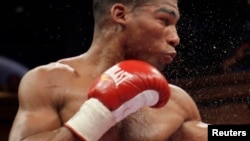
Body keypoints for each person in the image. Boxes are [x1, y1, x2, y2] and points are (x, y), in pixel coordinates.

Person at [9, 0, 208, 141]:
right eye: (164, 20)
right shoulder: (49, 81)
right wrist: (97, 114)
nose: (175, 38)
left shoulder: (176, 101)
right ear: (120, 14)